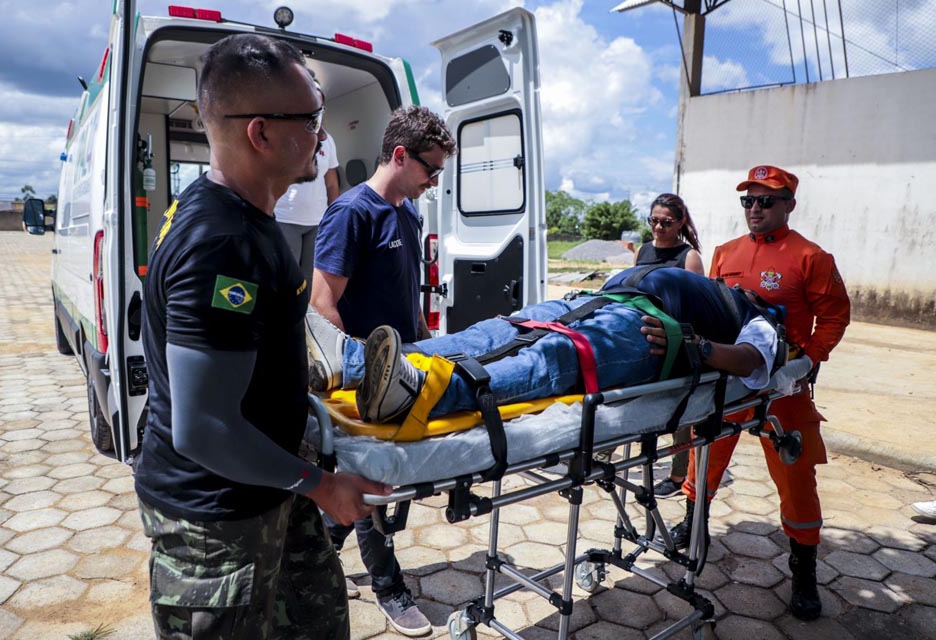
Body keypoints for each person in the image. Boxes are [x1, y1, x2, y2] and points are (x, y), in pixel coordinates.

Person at [134, 34, 390, 640]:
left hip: (271, 485)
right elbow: (204, 427)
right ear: (260, 132)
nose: (323, 138)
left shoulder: (247, 217)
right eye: (312, 120)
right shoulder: (223, 243)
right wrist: (323, 487)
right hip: (217, 522)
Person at [671, 164, 850, 622]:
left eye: (766, 200)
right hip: (729, 383)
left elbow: (834, 316)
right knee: (704, 449)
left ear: (789, 204)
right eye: (748, 201)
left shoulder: (811, 257)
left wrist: (809, 358)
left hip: (783, 384)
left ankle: (803, 567)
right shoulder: (725, 252)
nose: (755, 209)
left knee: (797, 471)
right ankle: (694, 522)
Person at [309, 105, 457, 636]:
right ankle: (389, 586)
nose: (434, 181)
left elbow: (406, 295)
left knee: (380, 487)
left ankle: (313, 557)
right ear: (399, 155)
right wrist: (361, 379)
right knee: (377, 486)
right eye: (430, 170)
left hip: (405, 373)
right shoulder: (353, 213)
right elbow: (323, 302)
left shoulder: (408, 213)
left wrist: (422, 349)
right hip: (365, 384)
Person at [307, 265, 785, 426]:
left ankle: (426, 393)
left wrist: (697, 349)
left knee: (550, 359)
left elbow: (752, 363)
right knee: (496, 331)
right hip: (595, 302)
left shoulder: (756, 318)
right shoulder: (712, 287)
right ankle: (351, 364)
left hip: (647, 335)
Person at [635, 193, 705, 499]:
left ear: (680, 223)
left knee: (681, 411)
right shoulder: (643, 251)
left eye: (666, 222)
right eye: (654, 221)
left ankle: (679, 476)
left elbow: (700, 306)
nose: (659, 227)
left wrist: (678, 336)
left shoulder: (689, 257)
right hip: (645, 335)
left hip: (676, 339)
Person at [274, 71, 339, 287]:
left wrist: (333, 219)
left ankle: (306, 322)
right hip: (285, 218)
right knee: (288, 281)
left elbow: (331, 182)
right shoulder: (284, 135)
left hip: (317, 222)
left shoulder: (328, 141)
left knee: (311, 283)